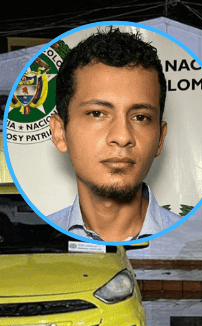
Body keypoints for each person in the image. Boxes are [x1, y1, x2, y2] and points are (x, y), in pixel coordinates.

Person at [47, 27, 180, 241]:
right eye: (97, 113)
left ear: (160, 139)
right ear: (60, 133)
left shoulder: (187, 239)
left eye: (140, 117)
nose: (122, 136)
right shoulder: (35, 243)